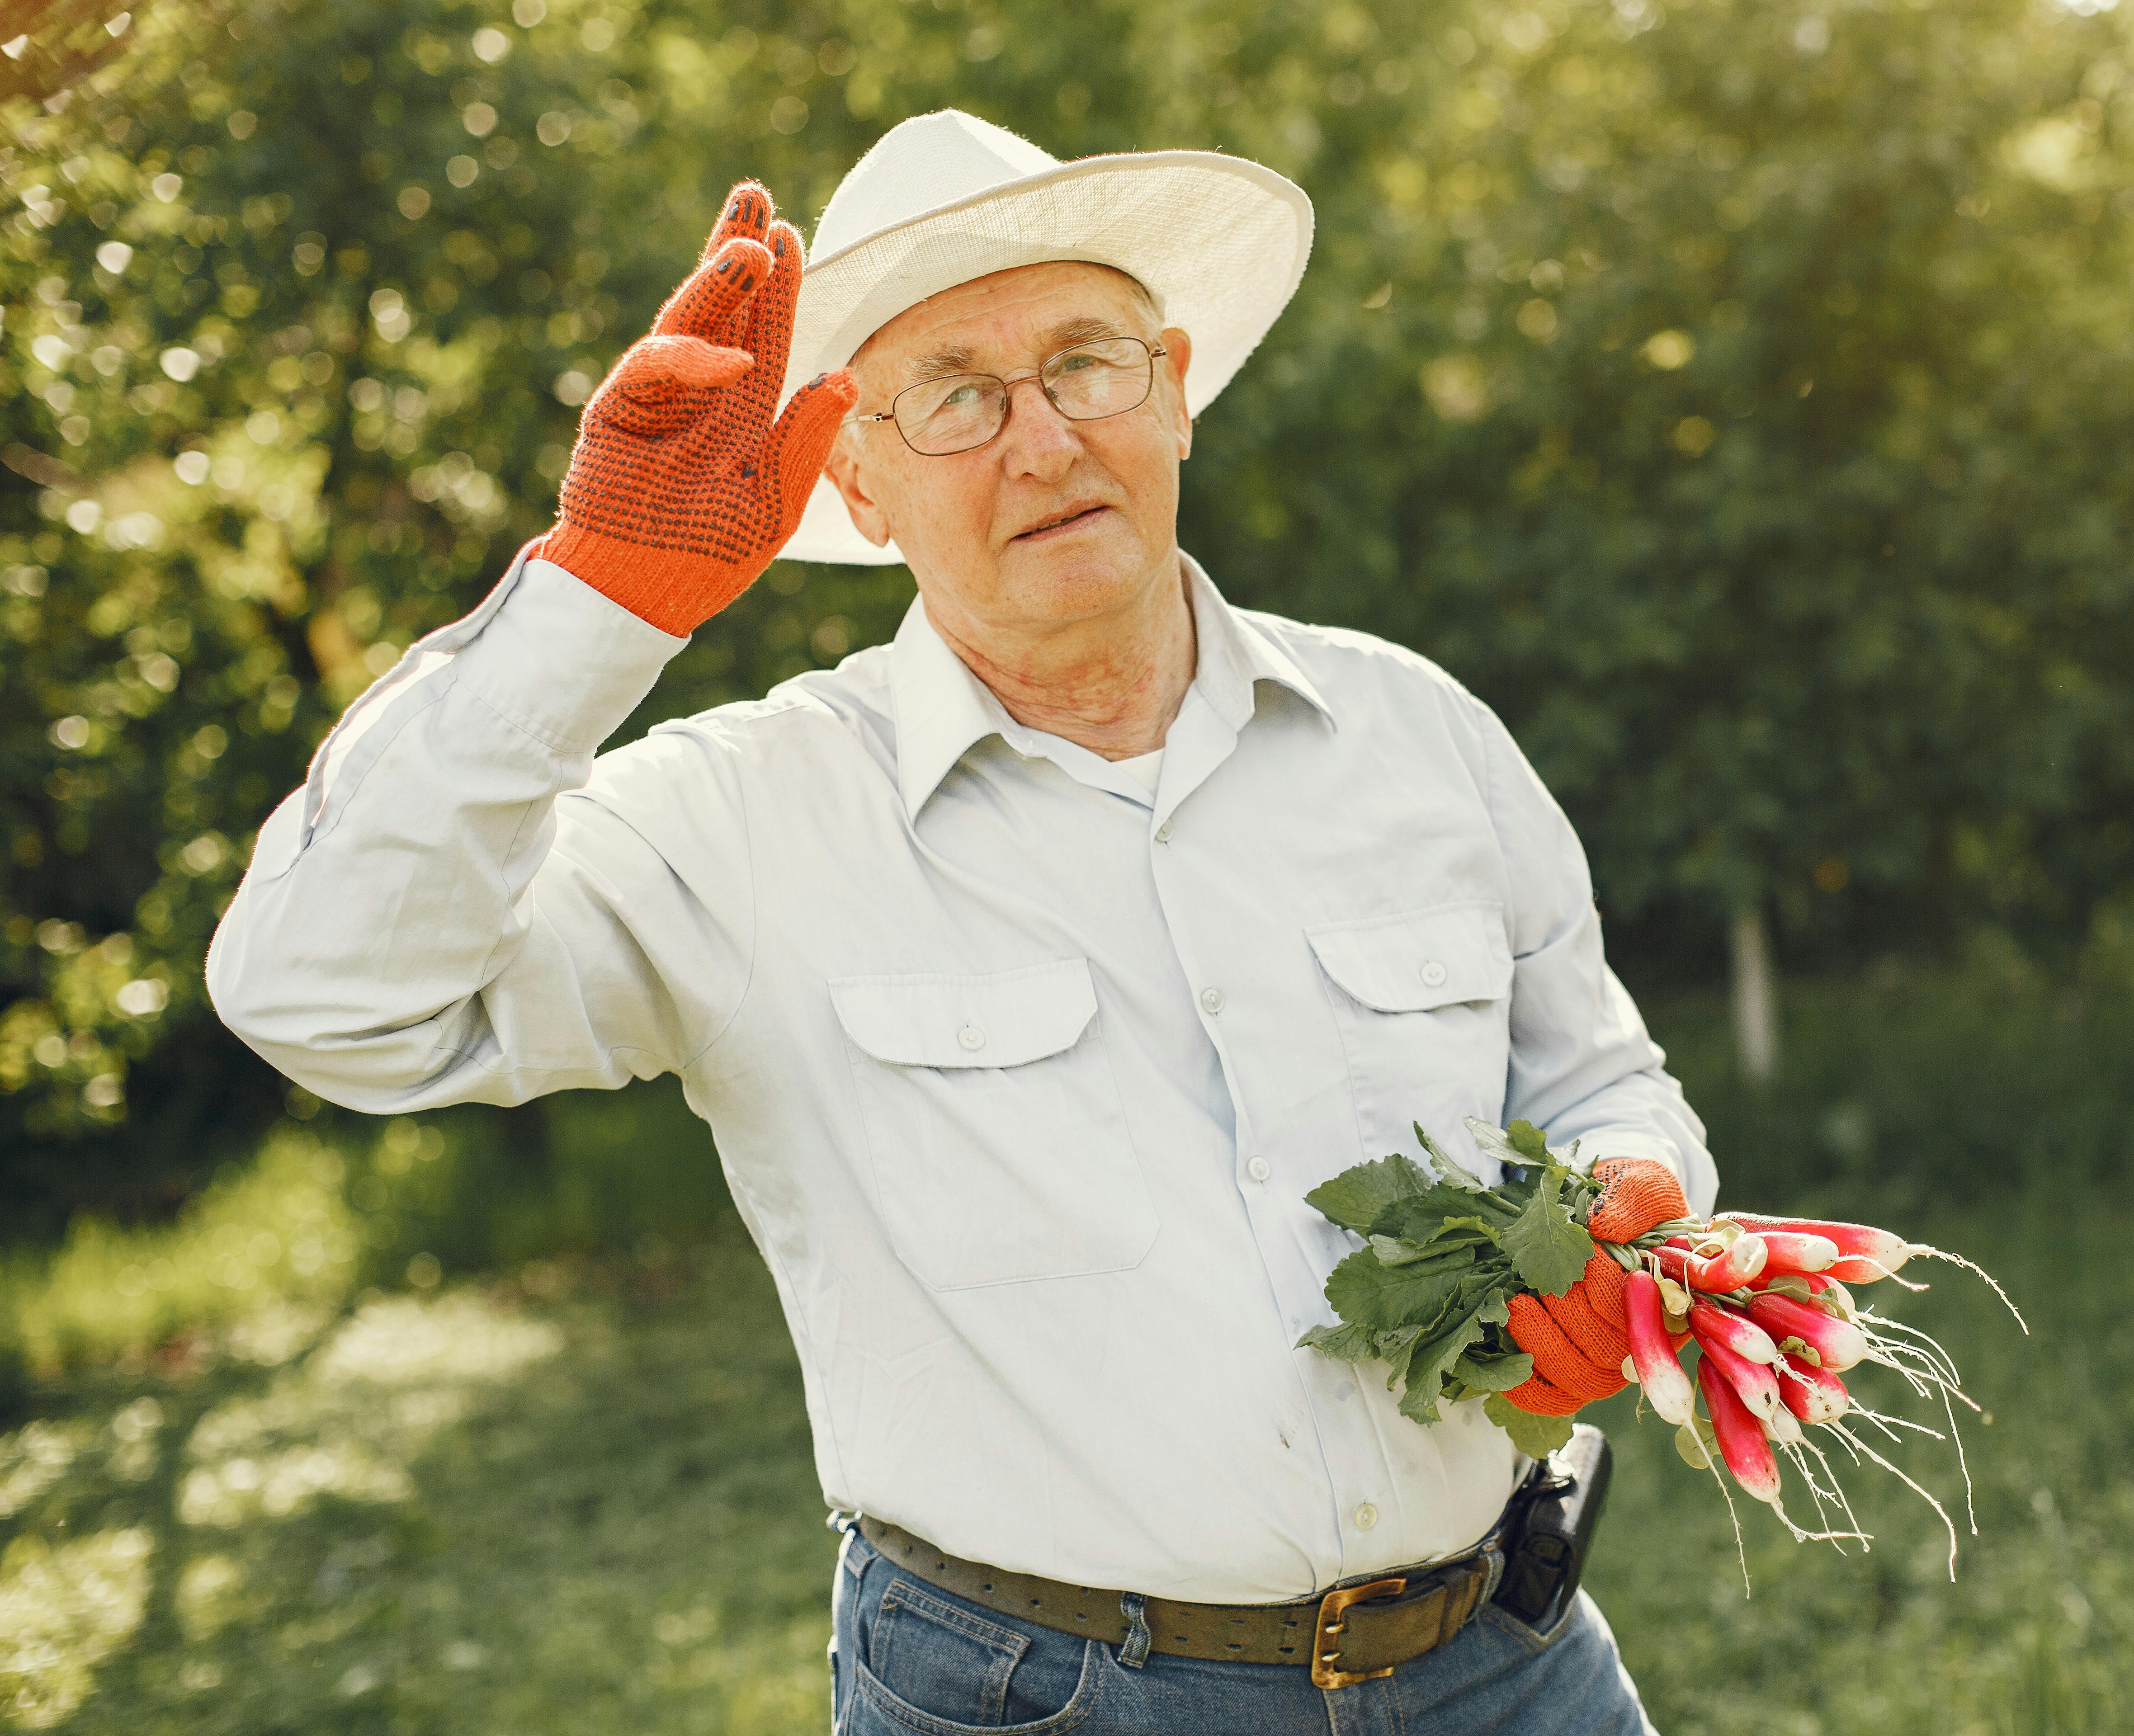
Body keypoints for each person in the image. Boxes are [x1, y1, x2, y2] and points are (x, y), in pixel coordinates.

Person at [209, 108, 1716, 1735]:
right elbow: (325, 998)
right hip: (1042, 1702)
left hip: (1511, 1662)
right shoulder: (739, 819)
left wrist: (1633, 1228)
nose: (1048, 442)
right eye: (957, 397)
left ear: (1177, 388)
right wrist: (593, 600)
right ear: (849, 472)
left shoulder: (1414, 730)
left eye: (1088, 362)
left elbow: (1601, 1085)